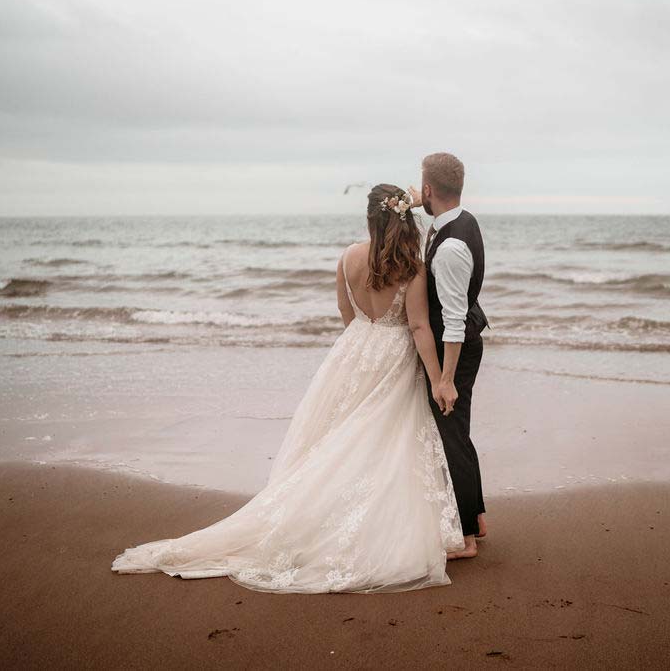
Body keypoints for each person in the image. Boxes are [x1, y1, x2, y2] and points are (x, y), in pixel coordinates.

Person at [111, 183, 465, 593]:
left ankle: (315, 518)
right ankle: (370, 526)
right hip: (394, 356)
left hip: (353, 351)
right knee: (379, 441)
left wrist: (361, 347)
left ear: (371, 218)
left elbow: (344, 311)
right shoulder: (413, 266)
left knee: (338, 439)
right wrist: (441, 378)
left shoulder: (348, 257)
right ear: (404, 218)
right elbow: (420, 327)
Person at [407, 152, 489, 560]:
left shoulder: (451, 244)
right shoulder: (458, 222)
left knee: (450, 434)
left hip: (453, 347)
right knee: (457, 432)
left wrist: (445, 379)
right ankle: (475, 518)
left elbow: (454, 320)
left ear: (428, 189)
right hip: (459, 340)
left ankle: (466, 539)